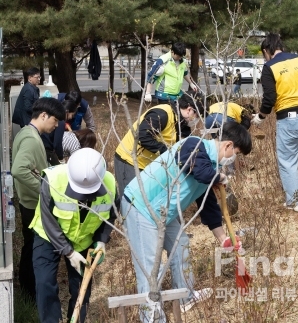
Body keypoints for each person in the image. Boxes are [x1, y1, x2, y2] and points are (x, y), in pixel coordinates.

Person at [121, 122, 251, 321]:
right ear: (227, 145)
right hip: (141, 206)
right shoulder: (193, 145)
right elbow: (198, 170)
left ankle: (185, 297)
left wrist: (223, 238)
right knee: (148, 269)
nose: (234, 159)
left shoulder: (212, 167)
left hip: (165, 212)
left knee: (181, 246)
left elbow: (208, 205)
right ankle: (152, 318)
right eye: (236, 153)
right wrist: (219, 177)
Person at [30, 149, 117, 323]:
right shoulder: (53, 180)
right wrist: (68, 252)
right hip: (48, 236)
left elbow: (112, 213)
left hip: (83, 240)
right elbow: (48, 220)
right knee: (44, 282)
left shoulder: (109, 183)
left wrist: (101, 240)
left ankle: (76, 320)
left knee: (81, 290)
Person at [252, 33, 298, 211]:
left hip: (289, 117)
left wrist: (260, 117)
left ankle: (295, 201)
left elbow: (269, 97)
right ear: (281, 46)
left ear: (265, 51)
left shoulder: (270, 67)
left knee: (287, 160)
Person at [11, 97, 65, 303]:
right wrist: (44, 191)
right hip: (32, 205)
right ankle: (30, 292)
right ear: (44, 115)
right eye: (55, 120)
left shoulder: (26, 132)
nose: (57, 125)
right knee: (33, 249)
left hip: (27, 202)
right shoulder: (32, 140)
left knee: (29, 246)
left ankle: (27, 289)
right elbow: (19, 170)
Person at [114, 93, 199, 194]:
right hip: (129, 161)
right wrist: (169, 152)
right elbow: (143, 137)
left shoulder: (181, 122)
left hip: (148, 164)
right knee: (131, 199)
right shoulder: (162, 114)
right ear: (189, 109)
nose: (197, 121)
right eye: (197, 116)